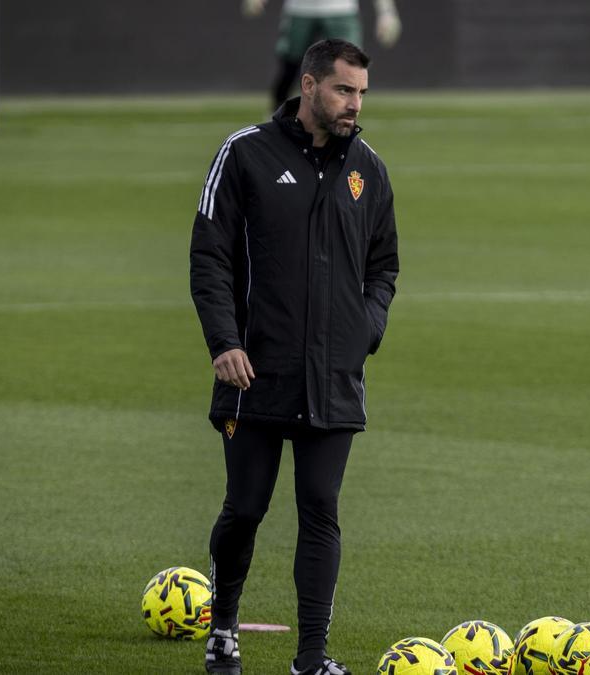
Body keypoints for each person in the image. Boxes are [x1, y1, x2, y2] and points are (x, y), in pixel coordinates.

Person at [189, 38, 399, 675]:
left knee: (320, 509)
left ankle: (311, 657)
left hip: (333, 377)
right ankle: (223, 623)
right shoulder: (245, 154)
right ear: (308, 85)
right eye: (343, 90)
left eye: (361, 92)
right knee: (245, 508)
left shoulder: (369, 169)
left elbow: (384, 266)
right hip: (256, 373)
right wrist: (224, 342)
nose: (354, 104)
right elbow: (210, 257)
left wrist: (365, 329)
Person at [242, 0, 400, 109]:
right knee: (291, 65)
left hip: (341, 9)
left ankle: (344, 114)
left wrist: (387, 12)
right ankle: (276, 114)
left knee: (350, 65)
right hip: (300, 9)